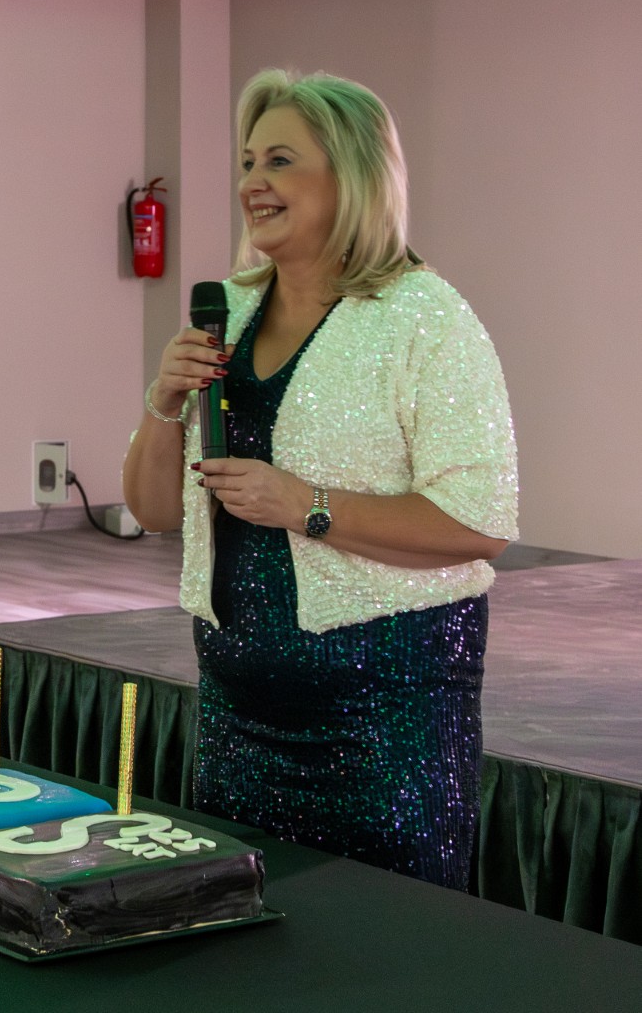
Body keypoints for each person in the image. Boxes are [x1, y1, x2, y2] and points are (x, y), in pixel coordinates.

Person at [121, 69, 518, 890]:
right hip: (237, 709)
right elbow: (154, 510)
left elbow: (480, 522)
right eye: (247, 162)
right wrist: (163, 400)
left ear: (353, 177)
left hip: (384, 714)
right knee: (244, 932)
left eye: (279, 161)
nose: (252, 183)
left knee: (384, 941)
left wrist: (308, 507)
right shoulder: (226, 311)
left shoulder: (425, 317)